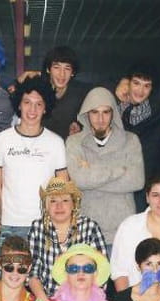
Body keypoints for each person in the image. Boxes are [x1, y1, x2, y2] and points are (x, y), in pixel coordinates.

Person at [66, 86, 144, 249]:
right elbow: (79, 181)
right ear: (86, 114)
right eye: (94, 112)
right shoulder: (74, 142)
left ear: (113, 113)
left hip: (122, 231)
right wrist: (119, 171)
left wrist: (91, 172)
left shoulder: (131, 140)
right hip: (86, 231)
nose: (100, 119)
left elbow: (137, 181)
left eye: (106, 112)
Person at [0, 76, 68, 237]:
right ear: (19, 104)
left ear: (45, 108)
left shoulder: (56, 142)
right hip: (8, 224)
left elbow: (62, 187)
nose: (32, 110)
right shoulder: (1, 139)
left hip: (45, 225)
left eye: (39, 104)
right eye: (27, 102)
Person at [28, 177, 107, 301]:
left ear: (73, 204)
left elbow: (101, 271)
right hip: (45, 299)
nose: (59, 206)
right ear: (46, 206)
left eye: (65, 200)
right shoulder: (38, 227)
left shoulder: (90, 227)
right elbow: (32, 272)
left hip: (84, 300)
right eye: (53, 201)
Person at [118, 62, 160, 210]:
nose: (140, 91)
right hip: (118, 179)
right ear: (128, 84)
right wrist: (121, 81)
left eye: (147, 86)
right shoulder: (115, 108)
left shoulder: (155, 109)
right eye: (136, 83)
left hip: (146, 181)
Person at [40, 46, 90, 139]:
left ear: (72, 72)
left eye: (67, 68)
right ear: (48, 69)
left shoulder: (80, 92)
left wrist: (79, 126)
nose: (62, 74)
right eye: (56, 67)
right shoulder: (38, 91)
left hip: (70, 145)